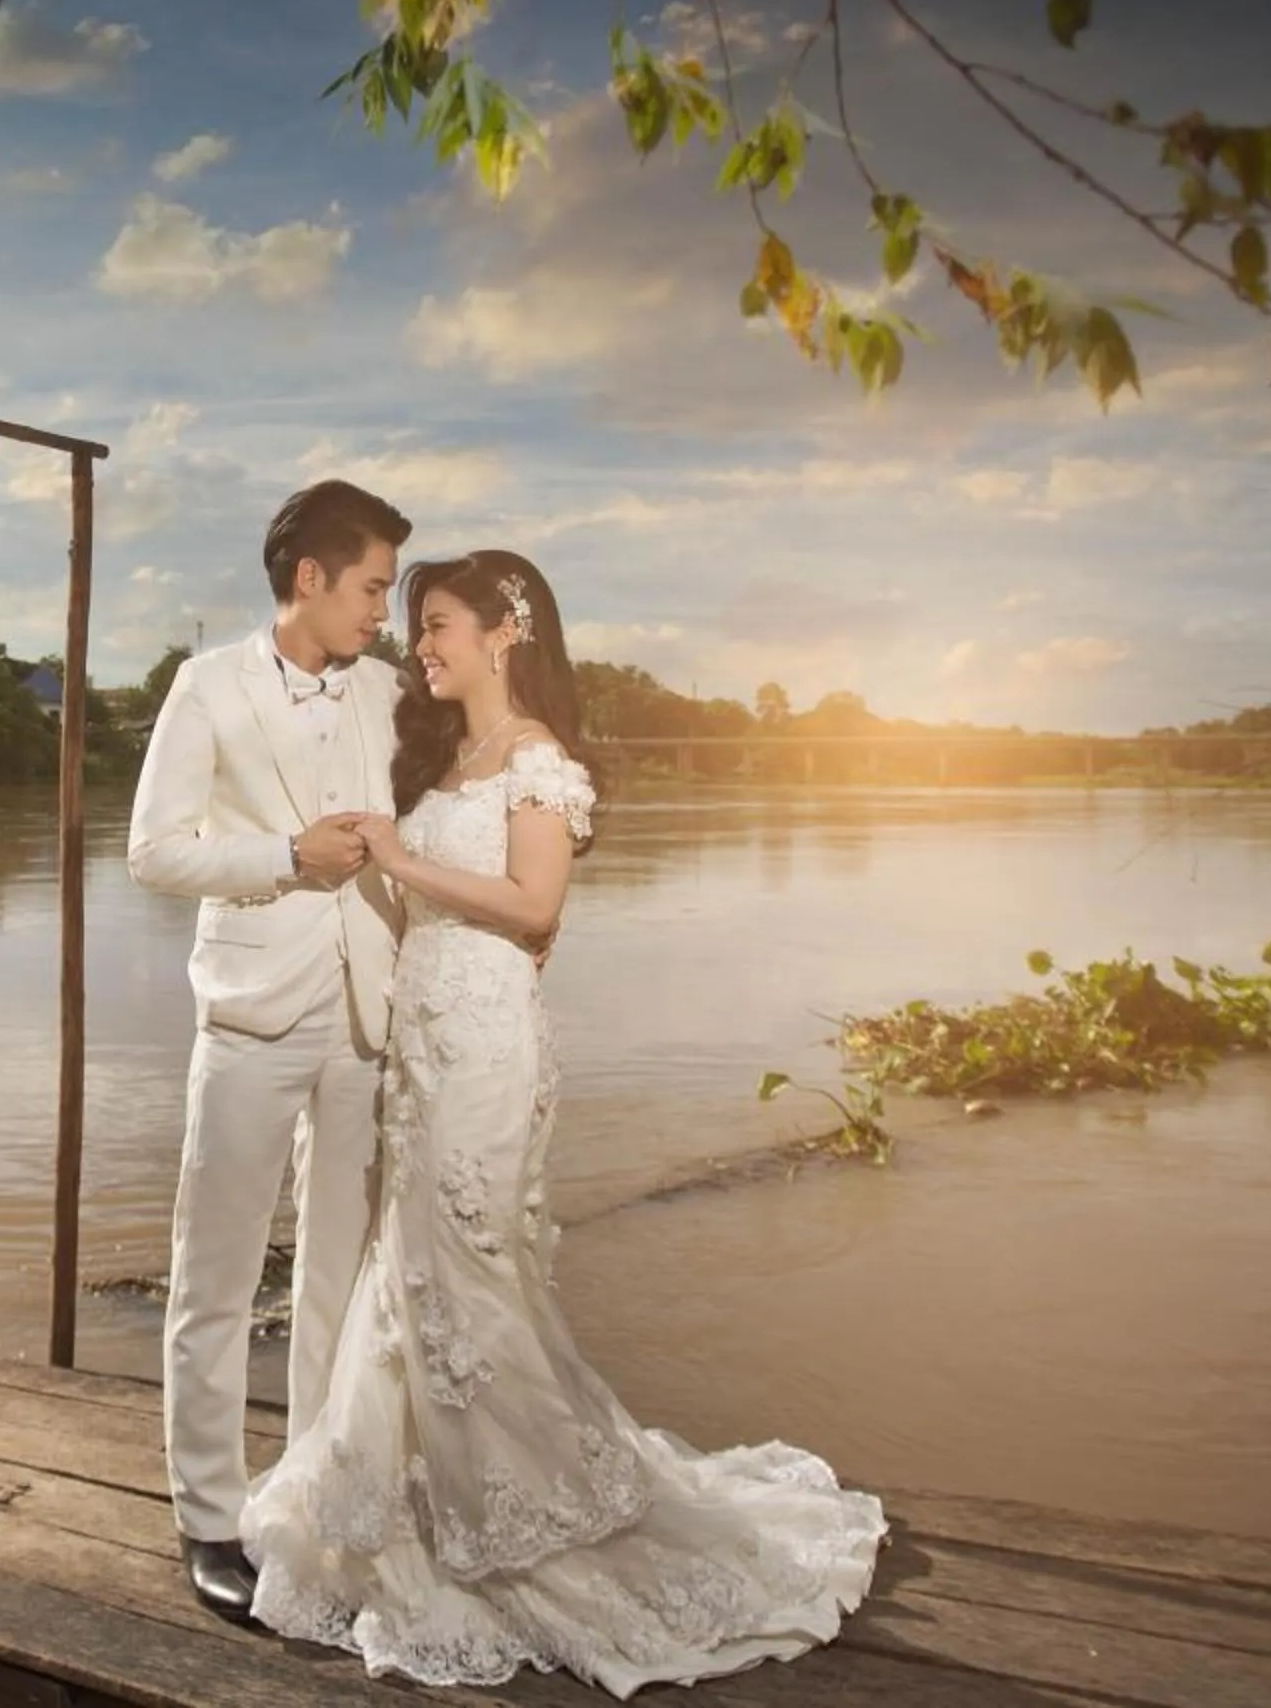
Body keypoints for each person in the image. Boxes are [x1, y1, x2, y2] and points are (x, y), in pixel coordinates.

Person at [239, 548, 887, 1697]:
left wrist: (397, 853)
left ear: (503, 633)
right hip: (427, 1042)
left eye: (435, 623)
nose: (419, 643)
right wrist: (372, 859)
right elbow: (441, 894)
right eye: (418, 625)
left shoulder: (538, 762)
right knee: (419, 1277)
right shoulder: (452, 759)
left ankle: (528, 1521)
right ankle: (429, 1507)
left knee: (475, 1276)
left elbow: (536, 909)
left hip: (488, 1045)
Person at [124, 479, 411, 1626]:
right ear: (311, 579)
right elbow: (153, 851)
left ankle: (310, 1497)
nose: (384, 611)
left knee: (340, 1273)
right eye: (374, 587)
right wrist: (287, 856)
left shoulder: (391, 692)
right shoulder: (207, 686)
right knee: (217, 1276)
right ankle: (206, 1514)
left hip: (365, 1013)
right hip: (249, 1010)